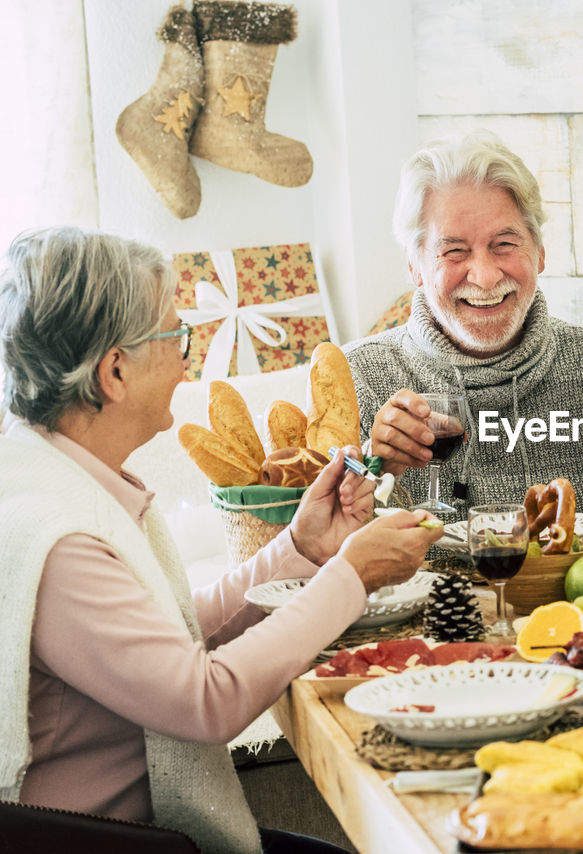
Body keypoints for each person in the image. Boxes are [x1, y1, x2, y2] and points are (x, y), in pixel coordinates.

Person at [0, 227, 443, 852]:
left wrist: (302, 549)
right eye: (174, 336)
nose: (187, 358)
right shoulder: (60, 537)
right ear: (115, 371)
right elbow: (206, 701)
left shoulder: (56, 474)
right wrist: (352, 574)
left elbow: (170, 630)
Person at [344, 130, 583, 530]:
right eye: (454, 251)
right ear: (414, 266)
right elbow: (309, 552)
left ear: (539, 251)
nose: (485, 277)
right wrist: (372, 472)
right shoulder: (358, 377)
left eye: (504, 243)